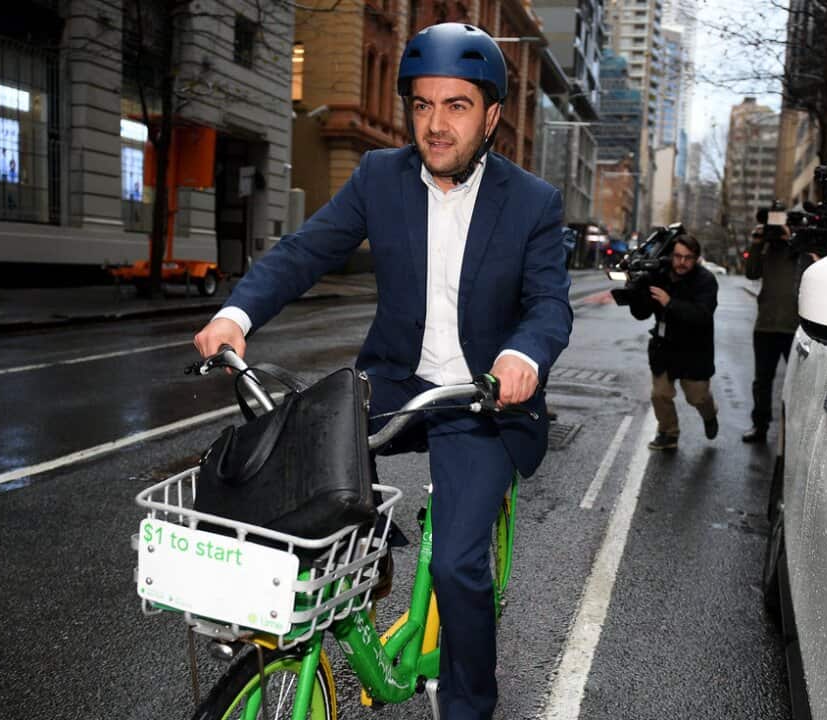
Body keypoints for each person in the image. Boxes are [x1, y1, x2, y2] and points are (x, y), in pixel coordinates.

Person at [192, 23, 572, 720]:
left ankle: (469, 702)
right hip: (397, 383)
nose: (436, 124)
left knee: (457, 564)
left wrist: (522, 356)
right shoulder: (380, 177)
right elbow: (305, 251)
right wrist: (236, 316)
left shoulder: (532, 202)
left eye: (456, 106)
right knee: (293, 466)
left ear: (491, 116)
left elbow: (549, 305)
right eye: (422, 105)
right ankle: (364, 563)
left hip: (480, 398)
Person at [627, 233, 719, 451]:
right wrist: (634, 291)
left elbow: (703, 315)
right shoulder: (659, 275)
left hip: (694, 350)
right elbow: (641, 313)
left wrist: (670, 303)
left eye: (688, 258)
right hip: (664, 347)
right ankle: (668, 433)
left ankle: (710, 414)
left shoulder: (706, 280)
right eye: (678, 256)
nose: (681, 262)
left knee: (697, 397)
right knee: (660, 394)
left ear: (696, 258)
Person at [742, 221, 798, 443]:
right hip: (765, 326)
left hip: (794, 329)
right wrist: (757, 243)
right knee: (762, 382)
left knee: (797, 383)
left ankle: (794, 432)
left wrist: (790, 238)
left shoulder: (799, 249)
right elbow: (751, 273)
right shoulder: (765, 248)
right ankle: (760, 426)